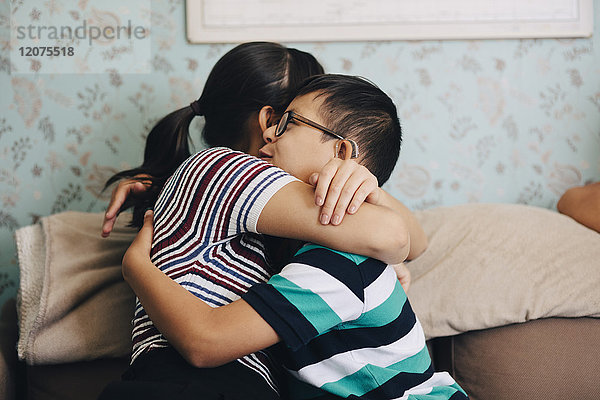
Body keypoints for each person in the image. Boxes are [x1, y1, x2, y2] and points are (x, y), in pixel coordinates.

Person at [113, 75, 466, 399]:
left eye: (287, 123)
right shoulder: (308, 252)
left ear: (342, 153)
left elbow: (205, 341)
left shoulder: (339, 263)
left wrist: (137, 267)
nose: (269, 133)